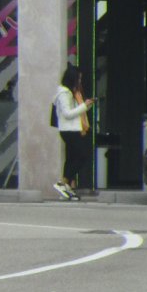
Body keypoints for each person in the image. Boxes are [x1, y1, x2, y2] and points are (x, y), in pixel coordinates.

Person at [52, 63, 94, 201]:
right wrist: (84, 106)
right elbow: (68, 114)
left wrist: (84, 105)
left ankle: (66, 185)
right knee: (82, 155)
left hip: (73, 129)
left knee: (71, 157)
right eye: (78, 79)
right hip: (69, 130)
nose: (80, 82)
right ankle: (63, 183)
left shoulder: (71, 93)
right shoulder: (64, 93)